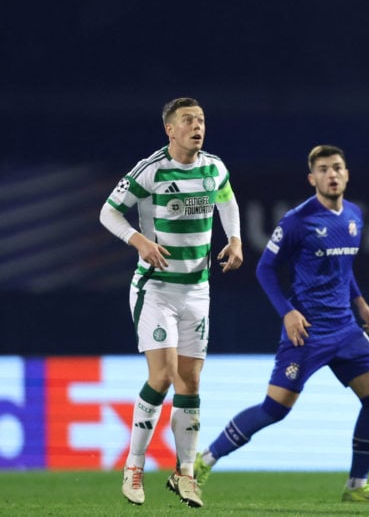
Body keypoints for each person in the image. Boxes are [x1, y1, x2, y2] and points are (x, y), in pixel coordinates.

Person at [194, 145, 369, 503]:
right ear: (312, 178)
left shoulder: (355, 215)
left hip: (346, 328)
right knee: (274, 410)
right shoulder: (297, 220)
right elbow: (264, 269)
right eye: (323, 169)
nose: (331, 174)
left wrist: (360, 302)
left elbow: (342, 269)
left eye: (337, 168)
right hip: (308, 332)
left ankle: (356, 487)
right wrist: (287, 312)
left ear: (346, 173)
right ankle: (204, 460)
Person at [100, 97, 243, 507]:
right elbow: (109, 213)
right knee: (162, 376)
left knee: (191, 382)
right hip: (156, 289)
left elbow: (227, 201)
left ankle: (184, 474)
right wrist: (139, 240)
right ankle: (134, 465)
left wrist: (234, 239)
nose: (197, 126)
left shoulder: (214, 167)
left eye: (200, 120)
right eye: (188, 121)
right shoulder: (151, 170)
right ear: (170, 129)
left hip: (197, 288)